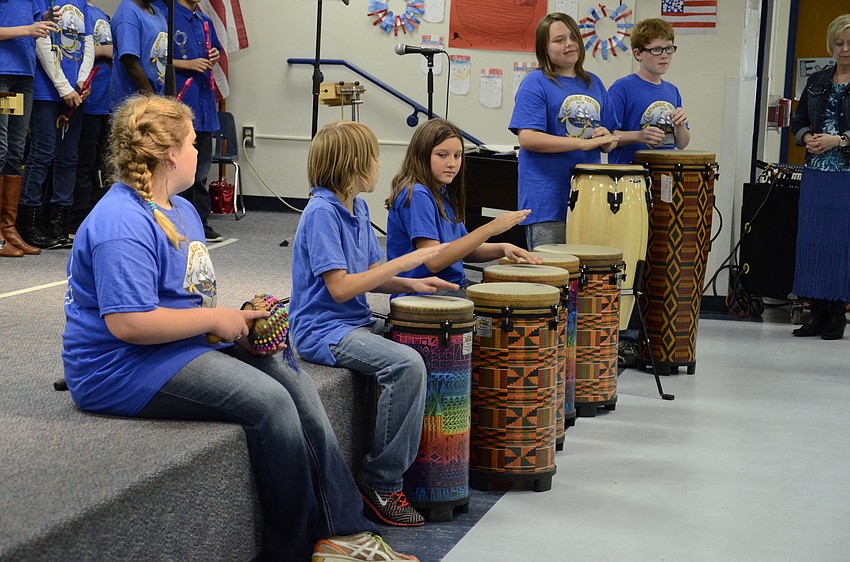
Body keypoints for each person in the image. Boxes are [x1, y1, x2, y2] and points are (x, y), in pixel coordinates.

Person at [61, 95, 418, 562]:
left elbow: (189, 299)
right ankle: (294, 547)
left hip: (177, 345)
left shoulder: (183, 210)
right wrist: (214, 319)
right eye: (193, 142)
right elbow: (129, 324)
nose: (199, 148)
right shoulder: (120, 222)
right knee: (269, 402)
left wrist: (240, 320)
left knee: (295, 381)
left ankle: (341, 532)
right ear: (170, 153)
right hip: (119, 367)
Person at [288, 120, 458, 527]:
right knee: (406, 364)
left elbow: (372, 272)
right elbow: (342, 288)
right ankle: (381, 480)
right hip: (321, 331)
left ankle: (431, 463)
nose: (381, 164)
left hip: (354, 323)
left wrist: (414, 283)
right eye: (374, 157)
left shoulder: (358, 207)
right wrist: (407, 263)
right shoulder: (321, 214)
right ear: (354, 165)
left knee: (430, 343)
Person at [385, 118, 541, 297]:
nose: (452, 163)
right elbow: (434, 261)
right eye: (442, 155)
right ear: (422, 154)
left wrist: (503, 247)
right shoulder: (418, 195)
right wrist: (491, 228)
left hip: (450, 286)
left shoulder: (440, 191)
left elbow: (466, 250)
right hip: (423, 294)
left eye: (457, 156)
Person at [508, 12, 619, 250]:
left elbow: (610, 135)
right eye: (559, 40)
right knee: (553, 276)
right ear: (544, 48)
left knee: (585, 278)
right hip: (548, 200)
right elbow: (527, 138)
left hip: (589, 198)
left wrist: (606, 140)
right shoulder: (535, 82)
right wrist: (580, 143)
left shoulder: (594, 83)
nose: (569, 44)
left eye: (572, 37)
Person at [790, 13, 850, 341]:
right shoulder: (817, 80)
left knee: (840, 243)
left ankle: (837, 314)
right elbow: (798, 120)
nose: (844, 49)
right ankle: (816, 312)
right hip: (816, 173)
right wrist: (806, 137)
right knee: (812, 242)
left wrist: (839, 140)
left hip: (845, 174)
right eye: (839, 43)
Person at [17, 0, 94, 249]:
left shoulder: (82, 4)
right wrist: (63, 87)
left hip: (76, 91)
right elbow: (41, 41)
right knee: (42, 153)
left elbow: (88, 42)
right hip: (47, 90)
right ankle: (30, 220)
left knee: (68, 158)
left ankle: (59, 220)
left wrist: (81, 81)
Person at [0, 1, 58, 257]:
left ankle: (8, 228)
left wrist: (45, 19)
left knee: (15, 149)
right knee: (0, 147)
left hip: (24, 75)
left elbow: (34, 24)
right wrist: (28, 29)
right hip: (2, 73)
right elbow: (24, 28)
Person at [172, 0, 223, 243]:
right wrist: (187, 64)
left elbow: (216, 49)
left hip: (204, 106)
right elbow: (157, 57)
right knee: (177, 167)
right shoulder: (168, 15)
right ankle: (177, 219)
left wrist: (214, 53)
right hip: (183, 102)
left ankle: (200, 221)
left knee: (201, 169)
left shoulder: (205, 21)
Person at [607, 17, 690, 165]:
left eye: (669, 48)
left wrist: (680, 126)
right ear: (638, 54)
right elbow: (606, 136)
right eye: (657, 50)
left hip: (665, 174)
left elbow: (682, 144)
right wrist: (638, 136)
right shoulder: (621, 88)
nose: (665, 55)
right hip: (629, 177)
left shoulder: (672, 91)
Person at [68, 0, 112, 237]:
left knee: (100, 164)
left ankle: (96, 213)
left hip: (107, 100)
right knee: (82, 162)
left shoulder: (102, 14)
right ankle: (77, 216)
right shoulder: (77, 10)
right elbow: (73, 47)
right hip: (87, 100)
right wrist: (105, 51)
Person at [108, 0, 167, 109]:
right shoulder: (127, 12)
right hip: (135, 106)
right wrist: (153, 102)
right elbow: (131, 63)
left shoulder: (158, 12)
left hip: (159, 99)